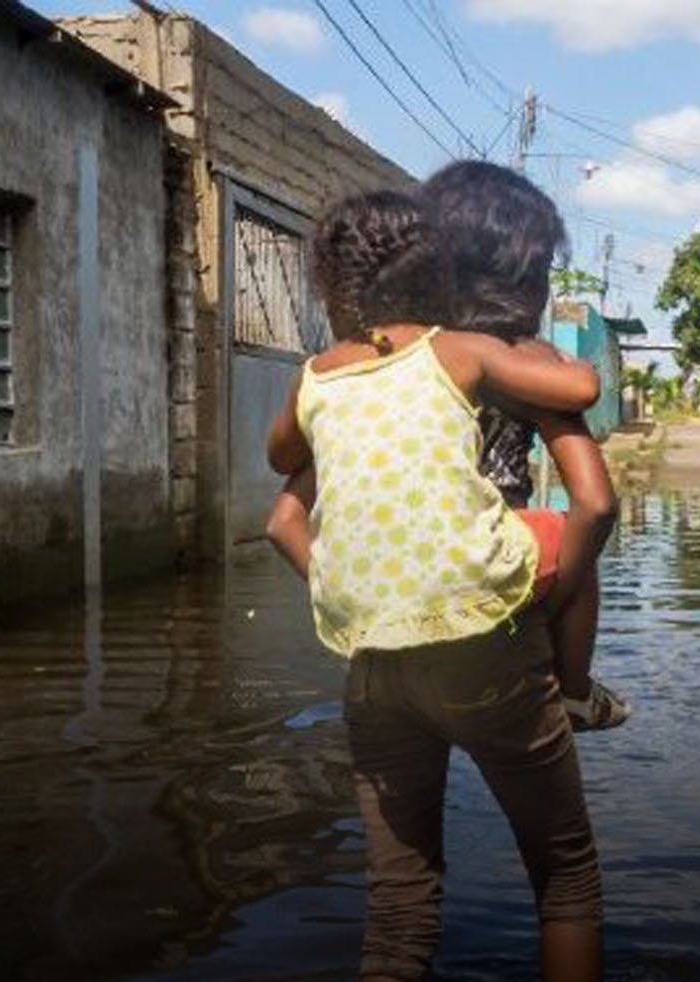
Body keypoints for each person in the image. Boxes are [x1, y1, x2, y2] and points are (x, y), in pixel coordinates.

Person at [264, 190, 606, 982]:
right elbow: (592, 471)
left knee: (398, 908)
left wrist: (349, 592)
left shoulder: (326, 384)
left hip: (374, 659)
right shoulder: (463, 356)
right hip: (491, 650)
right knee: (564, 871)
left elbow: (280, 507)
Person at [268, 161, 630, 732]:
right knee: (548, 819)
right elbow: (597, 504)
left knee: (400, 813)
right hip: (500, 610)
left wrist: (344, 593)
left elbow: (283, 520)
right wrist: (556, 598)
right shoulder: (526, 361)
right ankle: (578, 694)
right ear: (527, 279)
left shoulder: (373, 374)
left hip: (384, 624)